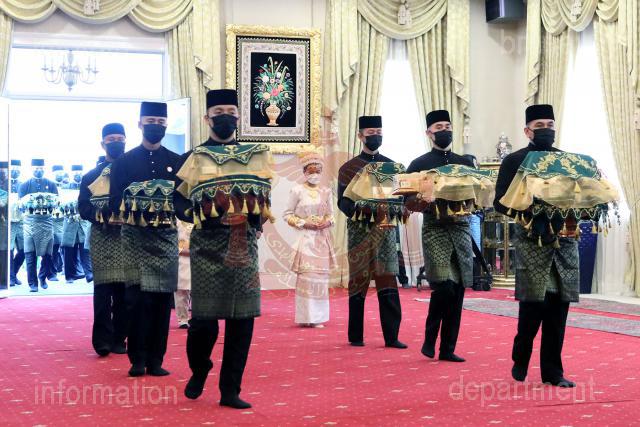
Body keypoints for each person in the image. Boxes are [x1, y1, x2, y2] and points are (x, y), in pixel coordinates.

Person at [178, 89, 268, 409]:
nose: (225, 117)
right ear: (207, 118)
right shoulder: (195, 156)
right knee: (203, 322)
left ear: (239, 117)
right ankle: (200, 369)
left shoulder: (255, 154)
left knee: (242, 320)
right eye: (219, 112)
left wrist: (257, 221)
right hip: (207, 245)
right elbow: (178, 200)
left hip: (243, 242)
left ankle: (230, 390)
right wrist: (201, 215)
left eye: (231, 111)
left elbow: (263, 195)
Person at [494, 104, 577, 388]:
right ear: (527, 131)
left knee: (559, 307)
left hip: (564, 240)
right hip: (532, 239)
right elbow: (499, 202)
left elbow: (578, 195)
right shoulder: (514, 160)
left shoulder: (566, 161)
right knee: (533, 304)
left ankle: (553, 372)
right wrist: (530, 209)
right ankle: (521, 356)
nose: (546, 130)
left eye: (549, 125)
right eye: (539, 126)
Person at [110, 101, 182, 377]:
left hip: (166, 238)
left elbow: (182, 201)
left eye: (160, 122)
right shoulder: (124, 162)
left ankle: (156, 360)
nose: (155, 126)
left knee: (162, 302)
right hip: (134, 238)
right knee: (136, 300)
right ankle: (137, 359)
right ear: (140, 124)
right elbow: (115, 200)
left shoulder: (176, 161)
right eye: (150, 121)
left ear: (166, 125)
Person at [406, 110, 474, 363]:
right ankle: (430, 337)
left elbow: (477, 194)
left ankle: (447, 348)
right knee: (443, 286)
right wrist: (424, 199)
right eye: (439, 127)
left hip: (461, 228)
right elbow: (407, 201)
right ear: (429, 133)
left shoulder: (464, 163)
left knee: (458, 289)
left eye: (447, 126)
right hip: (434, 228)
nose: (444, 131)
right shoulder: (419, 164)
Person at [337, 115, 406, 349]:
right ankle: (356, 336)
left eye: (379, 133)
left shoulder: (392, 166)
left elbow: (401, 197)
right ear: (360, 136)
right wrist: (364, 209)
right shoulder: (348, 168)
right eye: (371, 133)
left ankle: (392, 337)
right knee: (358, 282)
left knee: (388, 280)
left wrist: (395, 208)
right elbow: (342, 202)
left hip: (385, 232)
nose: (375, 136)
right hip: (360, 231)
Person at [78, 123, 129, 357]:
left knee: (123, 294)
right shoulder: (91, 176)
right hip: (102, 239)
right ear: (103, 144)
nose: (116, 143)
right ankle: (102, 340)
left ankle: (120, 339)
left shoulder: (133, 172)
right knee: (102, 292)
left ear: (125, 141)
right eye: (111, 140)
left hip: (128, 239)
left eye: (120, 139)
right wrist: (103, 216)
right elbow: (83, 208)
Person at [283, 146, 335, 328]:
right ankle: (306, 317)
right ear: (304, 172)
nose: (315, 174)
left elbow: (331, 215)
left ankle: (318, 318)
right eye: (311, 171)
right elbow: (287, 214)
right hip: (306, 240)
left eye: (318, 171)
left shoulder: (326, 191)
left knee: (320, 280)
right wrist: (303, 223)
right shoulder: (297, 190)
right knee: (307, 279)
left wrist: (327, 223)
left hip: (322, 240)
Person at [19, 159, 59, 292]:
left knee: (48, 255)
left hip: (46, 222)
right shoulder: (24, 185)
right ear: (32, 169)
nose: (39, 170)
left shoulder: (51, 184)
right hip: (30, 223)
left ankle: (42, 276)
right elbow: (21, 205)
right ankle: (33, 283)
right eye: (36, 168)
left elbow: (57, 202)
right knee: (30, 254)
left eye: (41, 168)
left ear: (44, 168)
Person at [61, 165, 93, 284]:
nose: (77, 174)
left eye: (79, 172)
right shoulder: (65, 187)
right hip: (70, 221)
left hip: (83, 221)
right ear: (72, 173)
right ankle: (69, 275)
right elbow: (61, 204)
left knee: (85, 248)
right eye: (75, 172)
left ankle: (88, 273)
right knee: (69, 249)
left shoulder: (86, 184)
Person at [9, 159, 25, 286]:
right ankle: (10, 277)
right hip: (7, 223)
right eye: (13, 168)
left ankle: (13, 273)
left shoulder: (23, 185)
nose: (15, 170)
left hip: (21, 222)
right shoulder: (3, 183)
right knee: (8, 251)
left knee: (24, 250)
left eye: (17, 169)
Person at [175, 220, 192, 329]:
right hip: (181, 257)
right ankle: (183, 319)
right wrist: (183, 249)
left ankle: (198, 317)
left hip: (199, 255)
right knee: (181, 290)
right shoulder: (177, 218)